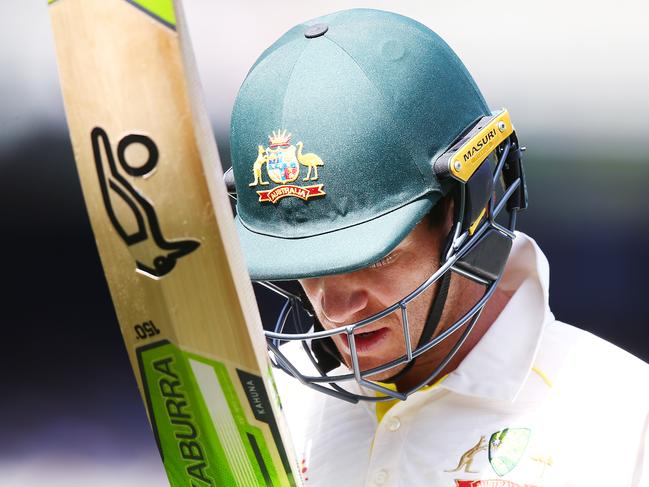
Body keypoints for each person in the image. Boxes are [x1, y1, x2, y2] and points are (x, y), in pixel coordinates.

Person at [227, 8, 649, 487]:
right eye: (304, 261)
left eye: (374, 256)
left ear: (466, 213)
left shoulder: (625, 422)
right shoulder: (269, 406)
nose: (337, 308)